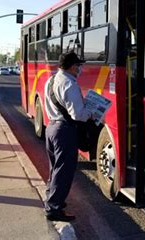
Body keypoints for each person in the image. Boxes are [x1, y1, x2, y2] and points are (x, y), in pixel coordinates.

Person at [43, 51, 93, 222]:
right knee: (64, 172)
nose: (80, 69)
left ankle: (52, 201)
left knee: (55, 169)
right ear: (72, 67)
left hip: (51, 128)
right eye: (78, 65)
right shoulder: (69, 84)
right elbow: (78, 115)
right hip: (64, 131)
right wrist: (91, 113)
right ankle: (54, 209)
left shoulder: (51, 80)